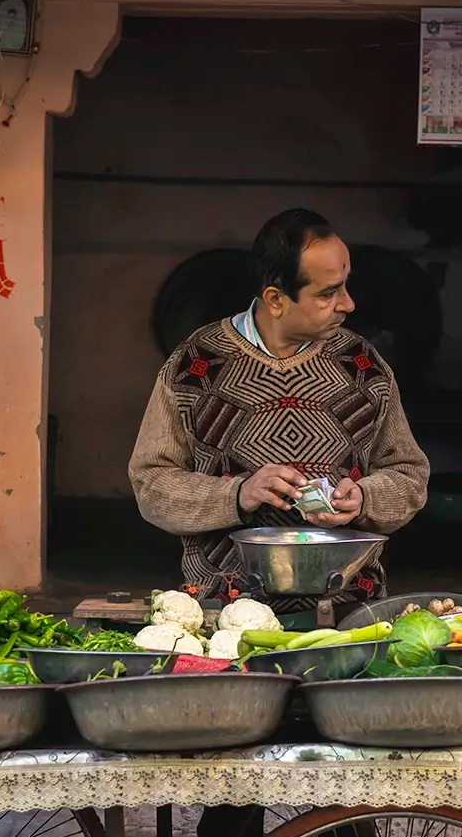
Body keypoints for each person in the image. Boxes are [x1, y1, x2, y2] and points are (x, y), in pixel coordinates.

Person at [129, 209, 430, 614]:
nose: (348, 304)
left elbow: (409, 475)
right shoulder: (195, 366)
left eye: (345, 287)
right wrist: (238, 493)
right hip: (226, 614)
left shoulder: (363, 365)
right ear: (275, 299)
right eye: (328, 293)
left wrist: (365, 498)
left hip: (349, 610)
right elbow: (152, 485)